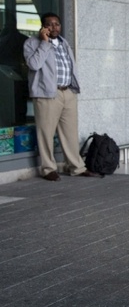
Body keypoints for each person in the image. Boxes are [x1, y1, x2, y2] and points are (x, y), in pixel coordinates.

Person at [23, 13, 102, 181]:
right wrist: (44, 43)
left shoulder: (63, 42)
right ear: (43, 27)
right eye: (50, 24)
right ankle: (48, 169)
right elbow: (34, 64)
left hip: (68, 92)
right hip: (47, 94)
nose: (54, 27)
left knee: (70, 133)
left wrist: (74, 87)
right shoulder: (31, 43)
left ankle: (76, 167)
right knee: (46, 133)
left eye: (57, 24)